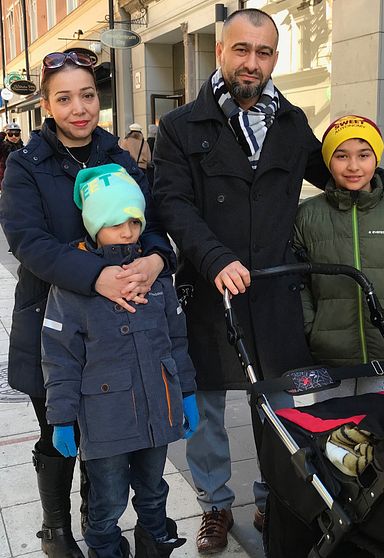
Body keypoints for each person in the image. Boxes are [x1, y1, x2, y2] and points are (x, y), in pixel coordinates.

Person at [151, 9, 384, 553]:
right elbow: (171, 202)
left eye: (264, 52)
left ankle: (273, 493)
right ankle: (215, 506)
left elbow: (341, 168)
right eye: (242, 50)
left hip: (274, 291)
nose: (252, 63)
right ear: (222, 51)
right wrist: (213, 258)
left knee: (276, 403)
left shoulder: (290, 121)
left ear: (274, 58)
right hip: (213, 289)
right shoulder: (181, 126)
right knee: (208, 407)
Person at [0, 47, 174, 557]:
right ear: (47, 104)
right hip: (52, 321)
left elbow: (156, 222)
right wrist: (98, 275)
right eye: (64, 98)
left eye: (88, 95)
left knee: (106, 436)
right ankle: (56, 531)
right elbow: (27, 242)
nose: (79, 108)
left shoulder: (118, 156)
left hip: (121, 326)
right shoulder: (27, 166)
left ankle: (96, 522)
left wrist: (156, 260)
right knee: (60, 426)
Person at [42, 165, 196, 558]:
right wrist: (61, 418)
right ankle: (106, 549)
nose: (127, 231)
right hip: (105, 421)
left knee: (154, 489)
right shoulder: (74, 285)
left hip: (157, 411)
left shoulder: (156, 278)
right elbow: (60, 357)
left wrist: (187, 394)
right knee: (107, 501)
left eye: (133, 220)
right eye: (114, 223)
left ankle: (154, 542)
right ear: (94, 226)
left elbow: (177, 340)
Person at [294, 114, 384, 392]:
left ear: (376, 158)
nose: (354, 166)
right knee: (336, 433)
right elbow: (298, 283)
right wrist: (312, 330)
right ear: (328, 161)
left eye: (364, 155)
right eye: (342, 156)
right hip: (328, 359)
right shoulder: (307, 215)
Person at [0, 121, 24, 188]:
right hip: (5, 184)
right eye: (10, 134)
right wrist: (3, 133)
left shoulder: (23, 149)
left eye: (16, 134)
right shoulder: (3, 147)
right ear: (6, 136)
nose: (13, 137)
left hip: (20, 183)